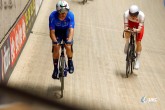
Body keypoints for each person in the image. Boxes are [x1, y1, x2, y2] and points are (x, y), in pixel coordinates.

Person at [49, 0, 75, 79]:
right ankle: (55, 69)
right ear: (57, 12)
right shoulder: (52, 16)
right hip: (57, 32)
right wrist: (55, 41)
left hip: (66, 31)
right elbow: (52, 32)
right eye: (61, 12)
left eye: (65, 12)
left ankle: (70, 62)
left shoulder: (71, 15)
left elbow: (71, 30)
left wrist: (69, 40)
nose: (64, 14)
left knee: (68, 46)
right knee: (56, 47)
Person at [123, 5, 145, 69]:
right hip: (130, 23)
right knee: (127, 32)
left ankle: (137, 60)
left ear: (137, 13)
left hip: (138, 25)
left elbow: (140, 29)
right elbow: (125, 27)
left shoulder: (142, 16)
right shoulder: (126, 14)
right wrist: (128, 29)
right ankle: (127, 43)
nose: (132, 16)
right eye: (131, 14)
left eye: (134, 14)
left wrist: (137, 30)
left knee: (138, 42)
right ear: (129, 12)